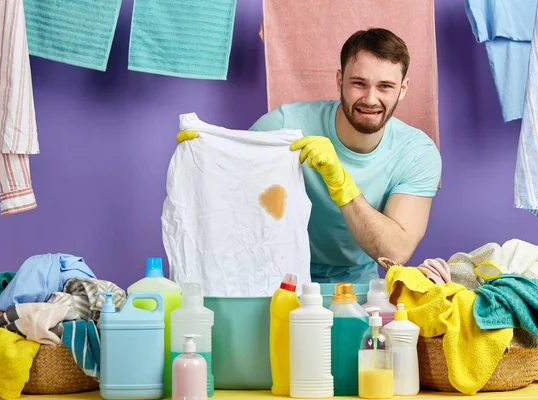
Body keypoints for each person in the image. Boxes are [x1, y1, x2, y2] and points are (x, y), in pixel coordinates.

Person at [177, 28, 442, 284]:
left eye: (385, 86)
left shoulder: (416, 154)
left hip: (355, 286)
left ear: (403, 88)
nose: (371, 99)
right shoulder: (286, 125)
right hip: (273, 277)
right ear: (340, 81)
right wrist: (206, 152)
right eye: (359, 83)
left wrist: (341, 184)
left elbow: (394, 253)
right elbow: (228, 187)